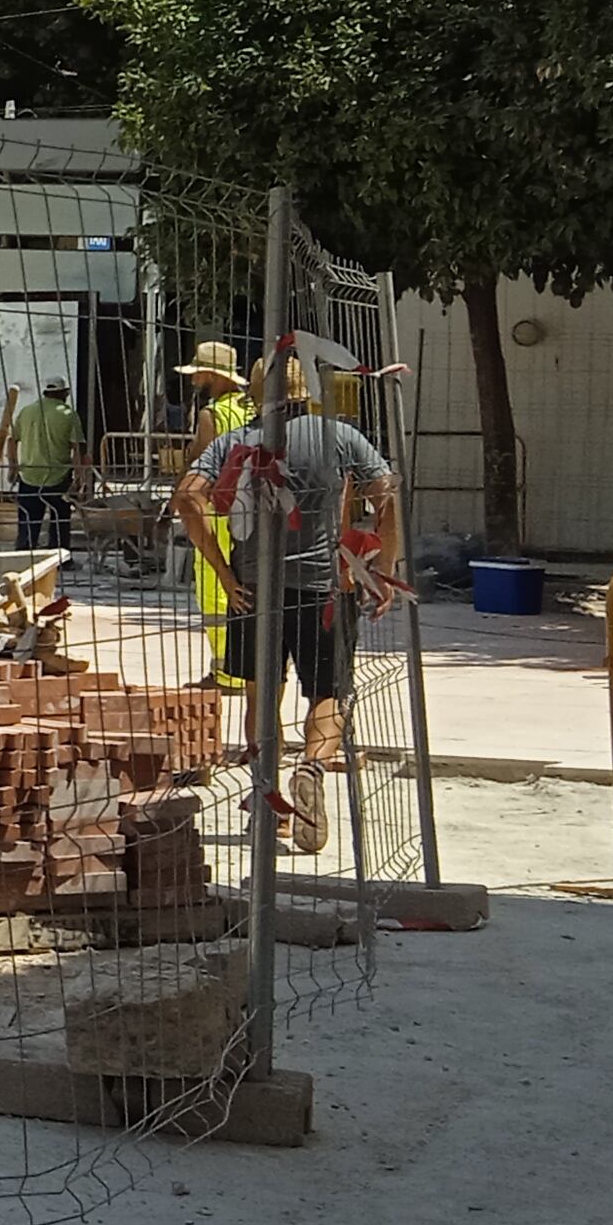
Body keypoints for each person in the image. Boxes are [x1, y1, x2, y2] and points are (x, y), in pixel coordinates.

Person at [174, 354, 401, 853]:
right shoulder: (338, 437)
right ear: (309, 391)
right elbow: (385, 496)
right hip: (324, 589)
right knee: (329, 693)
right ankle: (313, 767)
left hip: (253, 591)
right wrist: (378, 568)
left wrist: (224, 571)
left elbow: (186, 498)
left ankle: (270, 800)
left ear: (255, 395)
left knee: (262, 695)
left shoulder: (237, 441)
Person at [175, 341, 258, 688]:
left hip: (215, 511)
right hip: (249, 509)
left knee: (213, 591)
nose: (195, 381)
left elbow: (200, 461)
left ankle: (228, 672)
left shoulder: (213, 414)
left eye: (199, 374)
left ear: (212, 374)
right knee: (244, 585)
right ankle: (247, 665)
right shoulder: (250, 407)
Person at [10, 377, 84, 550]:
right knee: (59, 520)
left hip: (28, 475)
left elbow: (11, 441)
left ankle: (24, 555)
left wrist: (13, 467)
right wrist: (79, 478)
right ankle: (59, 557)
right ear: (64, 393)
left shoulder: (27, 411)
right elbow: (77, 449)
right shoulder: (69, 414)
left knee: (28, 519)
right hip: (58, 476)